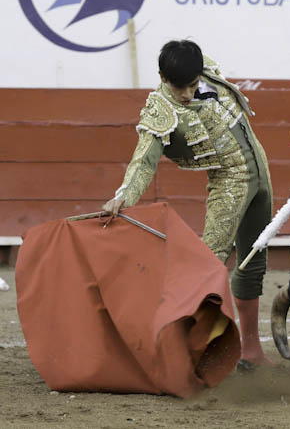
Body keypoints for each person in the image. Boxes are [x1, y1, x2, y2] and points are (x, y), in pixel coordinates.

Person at [102, 40, 273, 370]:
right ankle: (181, 353)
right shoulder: (160, 110)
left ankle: (252, 352)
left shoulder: (204, 67)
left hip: (261, 171)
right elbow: (144, 162)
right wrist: (124, 195)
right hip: (229, 182)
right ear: (162, 77)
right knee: (208, 265)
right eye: (178, 87)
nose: (186, 94)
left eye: (192, 85)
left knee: (254, 260)